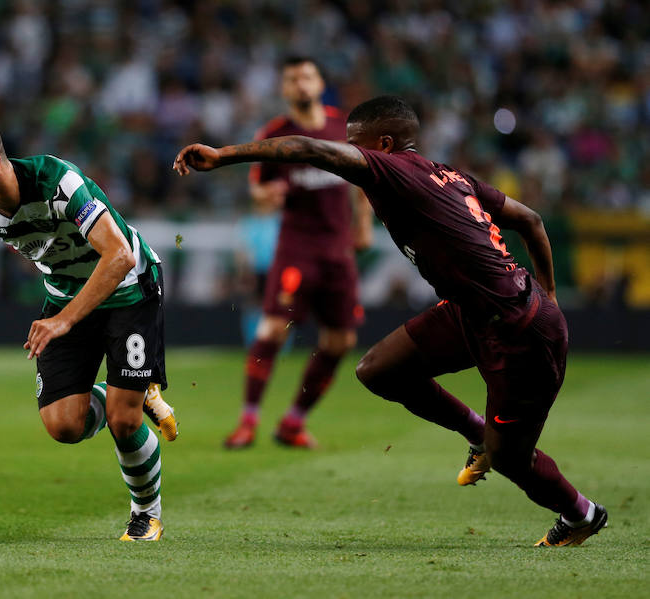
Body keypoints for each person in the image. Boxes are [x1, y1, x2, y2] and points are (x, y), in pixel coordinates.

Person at [173, 95, 607, 546]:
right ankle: (477, 431)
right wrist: (549, 292)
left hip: (518, 328)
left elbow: (310, 148)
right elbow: (530, 220)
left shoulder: (392, 169)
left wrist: (224, 155)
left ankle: (581, 514)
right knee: (379, 369)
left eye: (356, 146)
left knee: (510, 460)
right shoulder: (449, 175)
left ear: (383, 143)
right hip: (472, 311)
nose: (350, 157)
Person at [0, 110, 177, 541]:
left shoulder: (60, 183)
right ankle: (131, 390)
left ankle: (146, 514)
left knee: (123, 420)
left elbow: (119, 257)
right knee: (63, 426)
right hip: (66, 298)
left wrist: (62, 320)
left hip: (131, 291)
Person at [225, 56, 372, 450]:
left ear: (320, 82)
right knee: (272, 329)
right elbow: (257, 186)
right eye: (292, 79)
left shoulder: (345, 128)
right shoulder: (276, 134)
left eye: (307, 75)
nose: (301, 84)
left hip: (338, 250)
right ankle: (248, 421)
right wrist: (264, 195)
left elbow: (364, 179)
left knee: (340, 341)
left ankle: (293, 421)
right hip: (297, 248)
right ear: (285, 90)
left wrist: (363, 223)